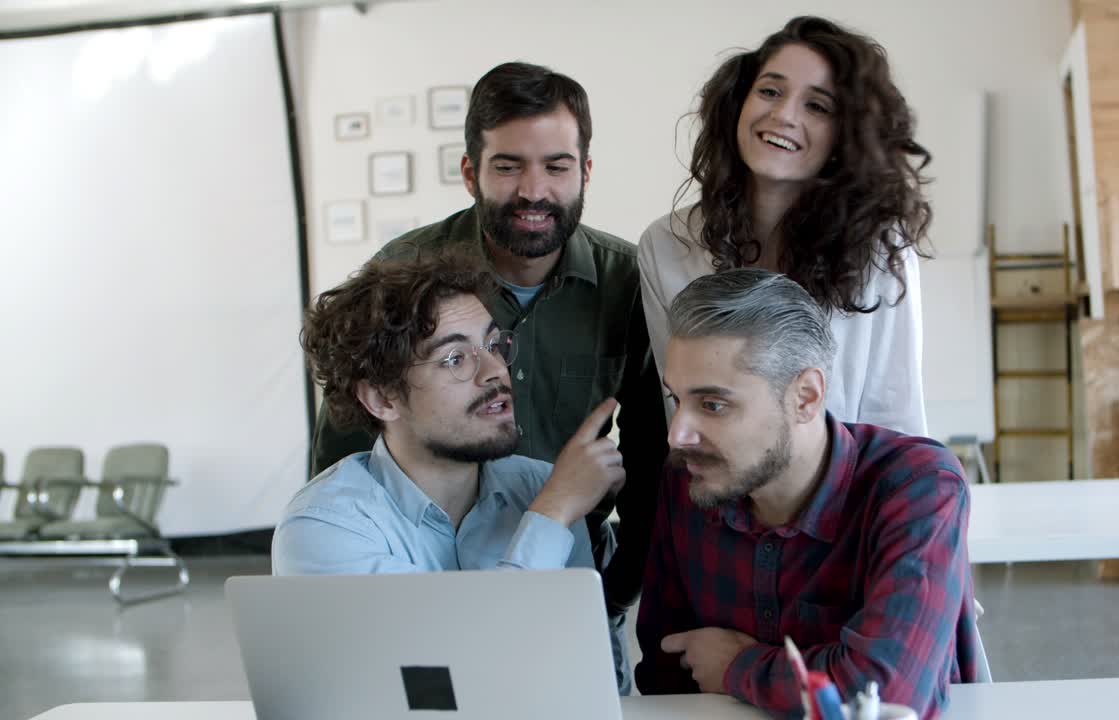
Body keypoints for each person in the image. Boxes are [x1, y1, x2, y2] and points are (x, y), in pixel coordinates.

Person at [308, 62, 667, 690]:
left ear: (584, 172)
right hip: (418, 567)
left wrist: (613, 593)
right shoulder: (405, 275)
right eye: (508, 166)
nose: (534, 190)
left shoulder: (632, 285)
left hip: (565, 560)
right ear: (470, 171)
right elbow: (346, 440)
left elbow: (656, 458)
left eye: (556, 166)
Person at [634, 269, 977, 718]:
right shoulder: (690, 479)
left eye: (712, 405)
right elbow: (668, 678)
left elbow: (888, 693)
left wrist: (738, 665)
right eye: (676, 399)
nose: (678, 434)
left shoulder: (917, 486)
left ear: (806, 397)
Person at [275, 255, 629, 686]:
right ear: (382, 398)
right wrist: (552, 516)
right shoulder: (324, 529)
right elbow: (451, 673)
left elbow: (583, 673)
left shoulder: (541, 486)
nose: (496, 370)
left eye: (494, 345)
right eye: (455, 358)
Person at [638, 15, 931, 436]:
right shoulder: (665, 245)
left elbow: (897, 423)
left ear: (844, 135)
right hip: (716, 494)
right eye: (770, 91)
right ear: (738, 102)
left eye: (816, 106)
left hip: (852, 498)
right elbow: (683, 421)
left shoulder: (882, 251)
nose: (783, 115)